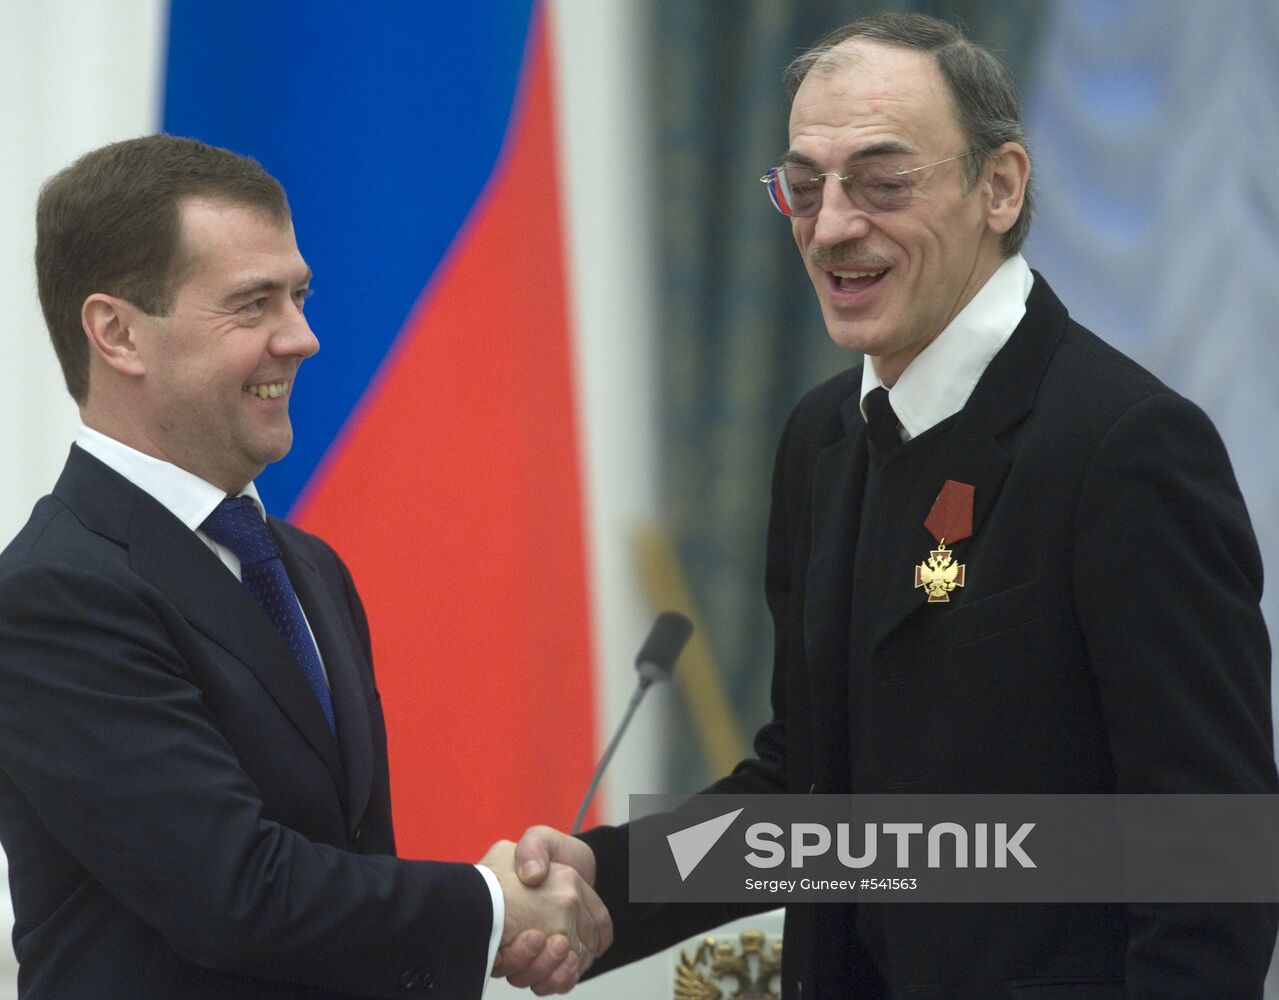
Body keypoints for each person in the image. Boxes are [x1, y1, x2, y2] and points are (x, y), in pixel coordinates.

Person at [499, 12, 1278, 999]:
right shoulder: (821, 437)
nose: (830, 226)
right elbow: (811, 792)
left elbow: (1210, 861)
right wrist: (604, 879)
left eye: (881, 181)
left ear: (999, 187)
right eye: (806, 184)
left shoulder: (1123, 447)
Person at [0, 134, 608, 1000]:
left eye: (299, 296)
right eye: (253, 304)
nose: (301, 339)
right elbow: (236, 893)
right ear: (116, 333)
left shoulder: (301, 564)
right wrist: (494, 907)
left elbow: (341, 859)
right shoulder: (56, 596)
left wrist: (546, 894)